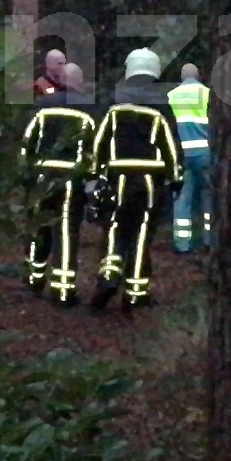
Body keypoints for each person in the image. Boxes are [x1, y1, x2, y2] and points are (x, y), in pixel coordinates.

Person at [90, 48, 181, 308]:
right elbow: (170, 145)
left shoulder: (115, 100)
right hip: (151, 180)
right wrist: (175, 177)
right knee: (142, 232)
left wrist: (95, 174)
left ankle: (109, 273)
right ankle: (136, 292)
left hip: (118, 177)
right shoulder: (162, 102)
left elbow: (100, 140)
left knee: (115, 226)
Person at [20, 61, 99, 302]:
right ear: (78, 82)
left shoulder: (43, 106)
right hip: (70, 181)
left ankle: (34, 278)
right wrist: (92, 180)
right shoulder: (87, 111)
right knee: (66, 232)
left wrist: (27, 172)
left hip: (43, 179)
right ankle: (63, 290)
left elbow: (27, 142)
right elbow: (92, 150)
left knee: (39, 227)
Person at [168, 62, 213, 254]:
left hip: (182, 155)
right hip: (206, 154)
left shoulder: (171, 96)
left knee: (182, 199)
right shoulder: (208, 94)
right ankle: (210, 240)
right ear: (198, 76)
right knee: (209, 196)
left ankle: (182, 243)